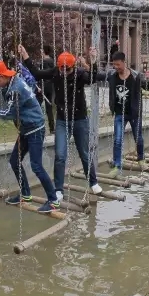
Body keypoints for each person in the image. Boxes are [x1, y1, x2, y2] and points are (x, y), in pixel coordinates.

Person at [18, 44, 104, 196]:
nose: (64, 72)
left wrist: (94, 61)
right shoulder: (56, 72)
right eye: (61, 69)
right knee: (60, 155)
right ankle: (58, 188)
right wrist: (25, 56)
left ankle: (93, 182)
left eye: (68, 69)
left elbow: (92, 78)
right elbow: (37, 74)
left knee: (84, 153)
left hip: (80, 120)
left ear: (73, 67)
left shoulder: (79, 74)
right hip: (62, 121)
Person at [0, 60, 59, 213]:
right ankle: (25, 194)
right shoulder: (13, 82)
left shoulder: (15, 89)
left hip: (35, 129)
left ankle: (53, 200)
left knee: (36, 166)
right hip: (26, 128)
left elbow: (10, 114)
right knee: (14, 161)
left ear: (1, 76)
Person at [107, 51, 149, 177]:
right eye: (114, 65)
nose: (116, 67)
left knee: (138, 137)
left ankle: (141, 159)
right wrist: (92, 63)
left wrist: (148, 79)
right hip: (119, 113)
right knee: (117, 139)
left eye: (118, 65)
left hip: (133, 113)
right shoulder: (112, 75)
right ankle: (117, 166)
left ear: (124, 62)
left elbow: (148, 88)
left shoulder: (136, 76)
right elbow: (96, 76)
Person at [38, 45, 55, 134]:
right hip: (50, 87)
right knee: (49, 108)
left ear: (44, 51)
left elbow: (42, 75)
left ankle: (38, 127)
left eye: (41, 50)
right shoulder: (52, 61)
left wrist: (40, 86)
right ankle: (52, 128)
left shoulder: (44, 62)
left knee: (36, 105)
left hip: (44, 86)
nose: (40, 51)